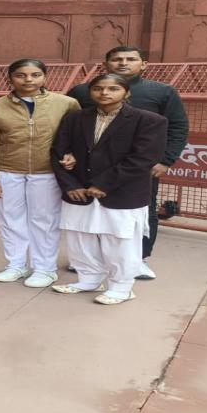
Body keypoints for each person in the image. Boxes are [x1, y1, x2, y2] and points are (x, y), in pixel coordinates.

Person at [67, 46, 189, 280]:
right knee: (92, 210)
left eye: (131, 59)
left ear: (143, 64)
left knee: (141, 211)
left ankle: (139, 259)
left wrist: (165, 160)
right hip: (90, 164)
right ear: (105, 64)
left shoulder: (162, 92)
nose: (123, 63)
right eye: (117, 59)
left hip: (139, 166)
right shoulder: (83, 91)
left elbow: (178, 127)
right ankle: (91, 260)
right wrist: (69, 152)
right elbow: (67, 125)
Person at [51, 73, 167, 304]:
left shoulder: (148, 120)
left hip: (123, 191)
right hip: (80, 191)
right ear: (90, 92)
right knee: (80, 237)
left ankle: (122, 287)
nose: (104, 93)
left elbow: (143, 159)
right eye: (98, 88)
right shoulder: (75, 118)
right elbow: (58, 152)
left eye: (113, 88)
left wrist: (104, 184)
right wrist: (71, 185)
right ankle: (88, 279)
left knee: (120, 241)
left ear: (127, 92)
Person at [0, 59, 80, 287]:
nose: (28, 80)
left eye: (35, 75)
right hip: (7, 170)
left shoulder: (66, 103)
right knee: (10, 219)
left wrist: (73, 154)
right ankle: (16, 264)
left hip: (47, 171)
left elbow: (77, 135)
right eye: (21, 75)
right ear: (10, 78)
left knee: (44, 220)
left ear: (45, 77)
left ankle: (45, 269)